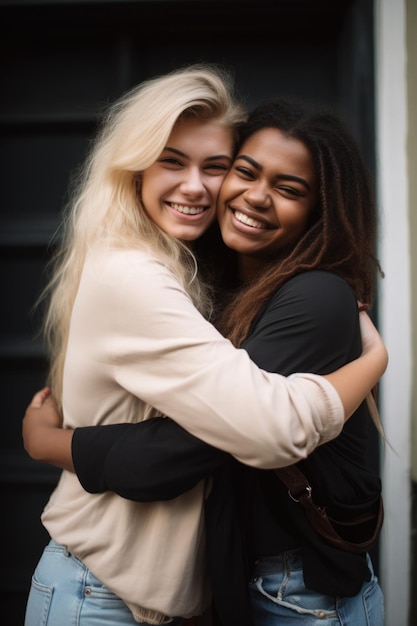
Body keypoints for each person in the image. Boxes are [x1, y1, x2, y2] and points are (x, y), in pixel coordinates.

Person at [22, 74, 388, 626]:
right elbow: (237, 435)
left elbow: (179, 454)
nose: (199, 187)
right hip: (103, 591)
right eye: (244, 171)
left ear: (321, 209)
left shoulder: (312, 296)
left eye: (214, 166)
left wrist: (52, 444)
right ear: (136, 166)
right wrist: (370, 366)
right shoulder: (163, 277)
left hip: (300, 594)